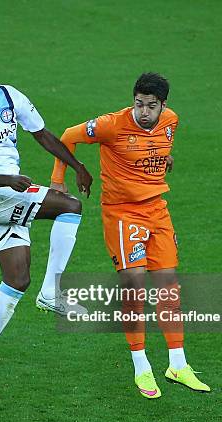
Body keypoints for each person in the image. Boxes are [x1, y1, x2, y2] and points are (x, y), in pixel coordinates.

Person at [0, 48, 93, 399]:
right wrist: (6, 182)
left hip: (8, 192)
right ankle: (53, 291)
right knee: (70, 206)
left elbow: (43, 135)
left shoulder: (10, 97)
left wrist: (77, 166)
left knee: (17, 279)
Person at [51, 73, 210, 399]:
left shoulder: (171, 121)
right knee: (135, 287)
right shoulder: (112, 125)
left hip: (158, 212)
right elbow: (68, 135)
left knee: (169, 287)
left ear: (163, 105)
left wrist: (163, 158)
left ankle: (177, 365)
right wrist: (62, 177)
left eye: (152, 106)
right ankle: (141, 367)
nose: (144, 112)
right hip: (123, 214)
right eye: (139, 104)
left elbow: (160, 146)